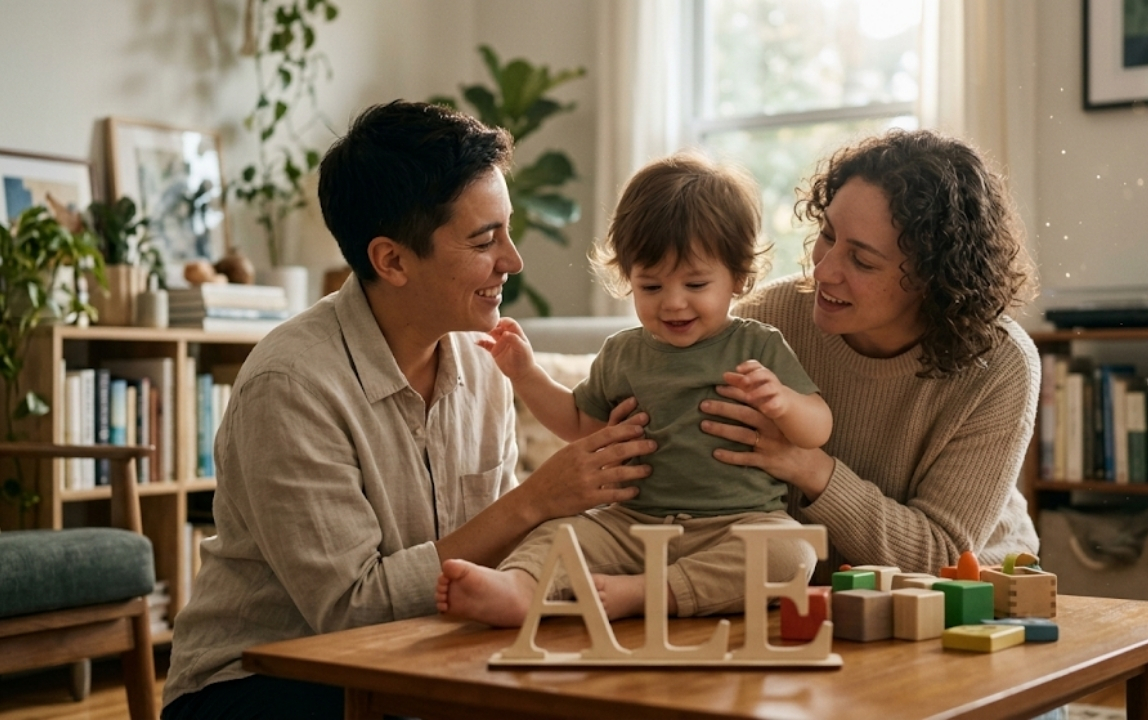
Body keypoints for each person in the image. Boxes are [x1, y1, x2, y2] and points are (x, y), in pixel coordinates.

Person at [160, 101, 656, 720]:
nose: (513, 260)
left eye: (507, 229)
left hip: (419, 657)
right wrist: (536, 499)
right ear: (391, 260)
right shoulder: (290, 385)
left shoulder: (483, 362)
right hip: (258, 680)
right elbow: (351, 610)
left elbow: (499, 560)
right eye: (485, 240)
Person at [436, 152, 833, 626]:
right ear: (627, 278)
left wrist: (784, 403)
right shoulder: (623, 354)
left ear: (739, 277)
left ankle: (650, 593)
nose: (674, 303)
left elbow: (818, 428)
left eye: (696, 283)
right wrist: (526, 375)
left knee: (791, 554)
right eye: (650, 286)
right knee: (561, 533)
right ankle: (520, 588)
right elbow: (581, 424)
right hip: (632, 524)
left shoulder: (757, 344)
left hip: (735, 525)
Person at [700, 128, 1041, 583]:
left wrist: (809, 466)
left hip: (972, 593)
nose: (822, 270)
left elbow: (941, 557)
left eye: (862, 261)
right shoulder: (768, 319)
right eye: (827, 234)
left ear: (933, 280)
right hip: (806, 589)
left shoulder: (999, 364)